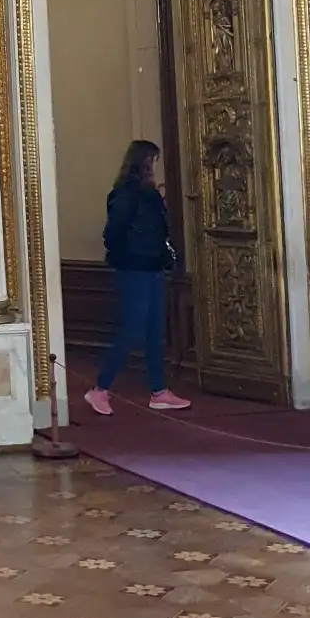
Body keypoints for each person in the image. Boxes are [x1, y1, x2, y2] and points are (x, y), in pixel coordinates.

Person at [84, 138, 191, 418]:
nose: (156, 167)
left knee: (155, 330)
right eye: (153, 161)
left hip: (153, 266)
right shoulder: (126, 194)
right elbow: (113, 234)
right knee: (133, 329)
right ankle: (99, 388)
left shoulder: (149, 195)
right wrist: (129, 254)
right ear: (143, 163)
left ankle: (159, 391)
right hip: (133, 268)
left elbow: (158, 231)